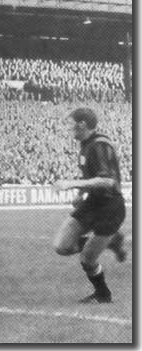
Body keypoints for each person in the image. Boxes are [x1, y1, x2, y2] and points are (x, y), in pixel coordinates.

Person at [52, 108, 127, 304]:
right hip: (92, 203)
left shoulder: (99, 145)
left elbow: (108, 181)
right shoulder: (85, 146)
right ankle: (111, 242)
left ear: (82, 124)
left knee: (87, 259)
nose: (69, 128)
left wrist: (71, 184)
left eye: (71, 123)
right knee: (62, 246)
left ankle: (103, 294)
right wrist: (80, 194)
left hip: (110, 207)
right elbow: (90, 178)